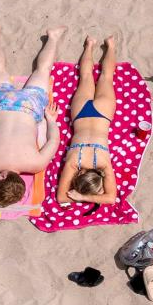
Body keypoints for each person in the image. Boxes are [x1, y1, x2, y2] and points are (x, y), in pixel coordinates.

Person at [0, 25, 65, 207]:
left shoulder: (36, 164)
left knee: (42, 71)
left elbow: (53, 142)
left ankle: (54, 36)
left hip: (30, 106)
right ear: (2, 177)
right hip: (2, 105)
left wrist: (51, 120)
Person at [55, 36, 118, 206]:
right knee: (85, 76)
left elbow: (111, 198)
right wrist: (79, 196)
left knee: (106, 77)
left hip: (102, 115)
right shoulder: (74, 163)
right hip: (81, 114)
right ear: (79, 175)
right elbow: (61, 196)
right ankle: (90, 45)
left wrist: (85, 197)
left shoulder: (104, 165)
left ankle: (110, 46)